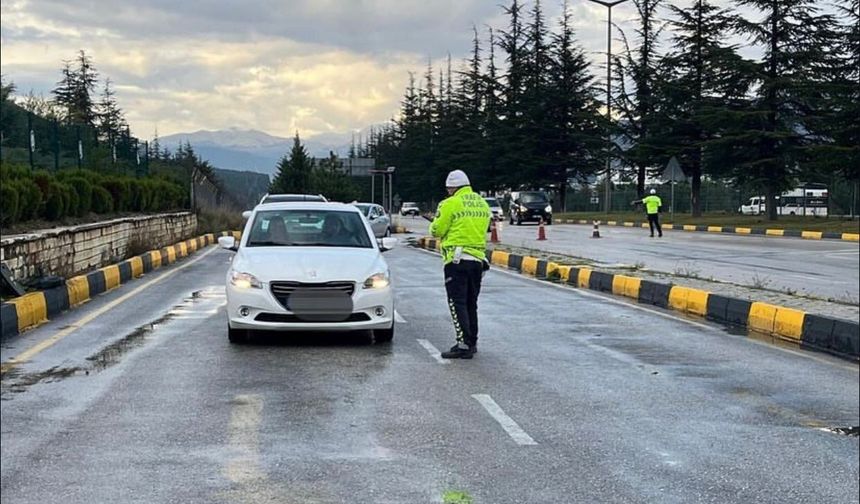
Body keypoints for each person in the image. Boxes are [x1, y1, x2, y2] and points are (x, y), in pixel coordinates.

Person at [429, 170, 491, 359]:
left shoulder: (450, 203)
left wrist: (433, 223)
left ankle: (463, 344)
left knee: (457, 303)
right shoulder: (482, 203)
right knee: (472, 303)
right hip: (478, 260)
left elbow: (437, 230)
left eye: (448, 189)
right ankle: (472, 342)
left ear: (453, 187)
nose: (448, 192)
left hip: (456, 260)